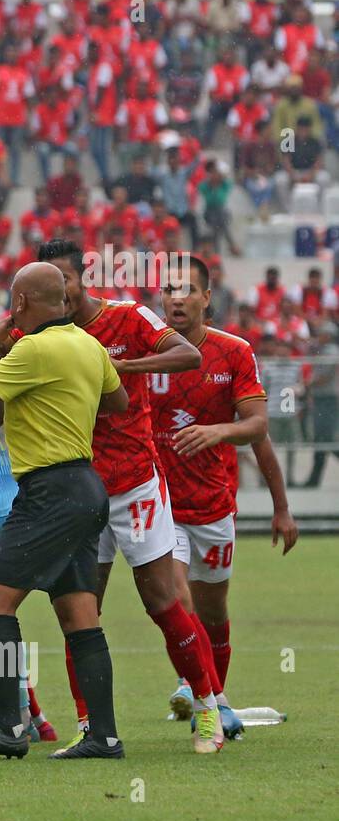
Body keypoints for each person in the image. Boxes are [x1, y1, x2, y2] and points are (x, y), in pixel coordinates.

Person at [38, 239, 227, 755]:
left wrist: (121, 369)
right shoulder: (42, 328)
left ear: (82, 279)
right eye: (49, 284)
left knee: (161, 600)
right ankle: (90, 726)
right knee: (80, 609)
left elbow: (187, 354)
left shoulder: (127, 317)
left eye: (65, 281)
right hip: (79, 489)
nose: (59, 292)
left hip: (135, 485)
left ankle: (208, 708)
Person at [0, 261, 129, 760]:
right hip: (87, 488)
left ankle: (10, 726)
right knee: (79, 615)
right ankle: (104, 736)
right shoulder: (88, 345)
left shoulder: (31, 348)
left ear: (21, 303)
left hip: (47, 492)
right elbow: (119, 401)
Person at [149, 256, 297, 733]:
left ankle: (212, 695)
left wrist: (281, 506)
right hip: (161, 503)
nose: (175, 297)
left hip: (213, 505)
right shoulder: (147, 352)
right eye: (169, 289)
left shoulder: (233, 352)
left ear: (206, 298)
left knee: (212, 613)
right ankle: (205, 697)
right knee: (177, 599)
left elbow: (258, 428)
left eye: (186, 289)